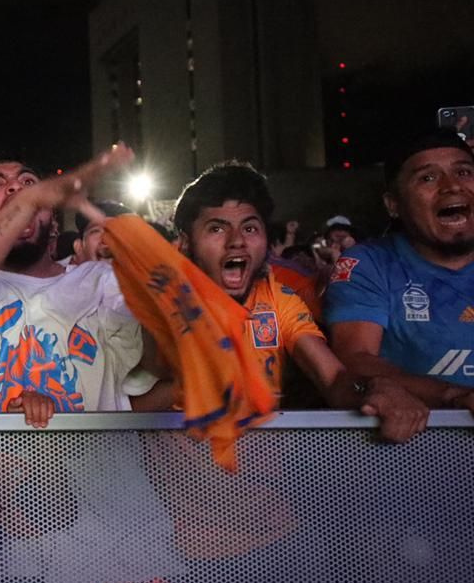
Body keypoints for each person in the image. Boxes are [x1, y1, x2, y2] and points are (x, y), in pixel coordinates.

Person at [162, 162, 427, 440]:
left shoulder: (279, 300)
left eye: (250, 228)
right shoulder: (164, 301)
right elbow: (146, 384)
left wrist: (373, 389)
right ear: (186, 243)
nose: (236, 241)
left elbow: (334, 379)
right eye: (217, 229)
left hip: (266, 476)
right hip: (175, 476)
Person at [0, 146, 160, 421]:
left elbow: (161, 361)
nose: (15, 189)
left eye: (28, 183)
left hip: (98, 464)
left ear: (52, 217)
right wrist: (27, 201)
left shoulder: (102, 282)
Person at [326, 128, 474, 412]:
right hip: (412, 448)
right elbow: (355, 359)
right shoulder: (369, 264)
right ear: (393, 205)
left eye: (464, 172)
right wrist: (456, 396)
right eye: (428, 178)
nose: (452, 186)